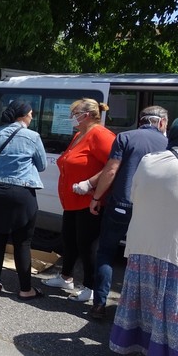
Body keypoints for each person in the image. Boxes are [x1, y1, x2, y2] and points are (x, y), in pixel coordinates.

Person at [110, 115, 178, 356]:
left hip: (142, 247)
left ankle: (145, 355)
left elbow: (135, 195)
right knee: (172, 313)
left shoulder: (150, 161)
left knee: (146, 306)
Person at [85, 106, 168, 319]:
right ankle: (134, 313)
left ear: (141, 120)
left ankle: (99, 305)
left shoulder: (125, 137)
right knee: (141, 259)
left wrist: (96, 198)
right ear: (161, 122)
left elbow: (111, 170)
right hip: (149, 210)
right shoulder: (168, 144)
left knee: (106, 252)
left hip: (121, 205)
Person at [43, 98, 115, 302]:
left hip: (89, 201)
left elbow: (114, 165)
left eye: (74, 114)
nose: (71, 118)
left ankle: (91, 287)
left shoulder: (100, 135)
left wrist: (90, 184)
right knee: (69, 240)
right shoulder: (79, 135)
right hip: (72, 201)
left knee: (87, 245)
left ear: (87, 115)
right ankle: (66, 277)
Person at [0, 100, 47, 300]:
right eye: (31, 114)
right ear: (22, 115)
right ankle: (26, 289)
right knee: (23, 242)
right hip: (22, 193)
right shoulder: (33, 137)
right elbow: (41, 165)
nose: (32, 117)